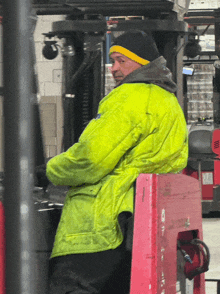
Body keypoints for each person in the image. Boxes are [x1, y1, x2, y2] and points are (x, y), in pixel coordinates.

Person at [46, 30, 188, 294]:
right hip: (140, 220)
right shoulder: (168, 101)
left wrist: (50, 170)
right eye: (112, 61)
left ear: (143, 62)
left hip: (103, 220)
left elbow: (90, 159)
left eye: (122, 60)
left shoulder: (128, 97)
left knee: (70, 286)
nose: (114, 68)